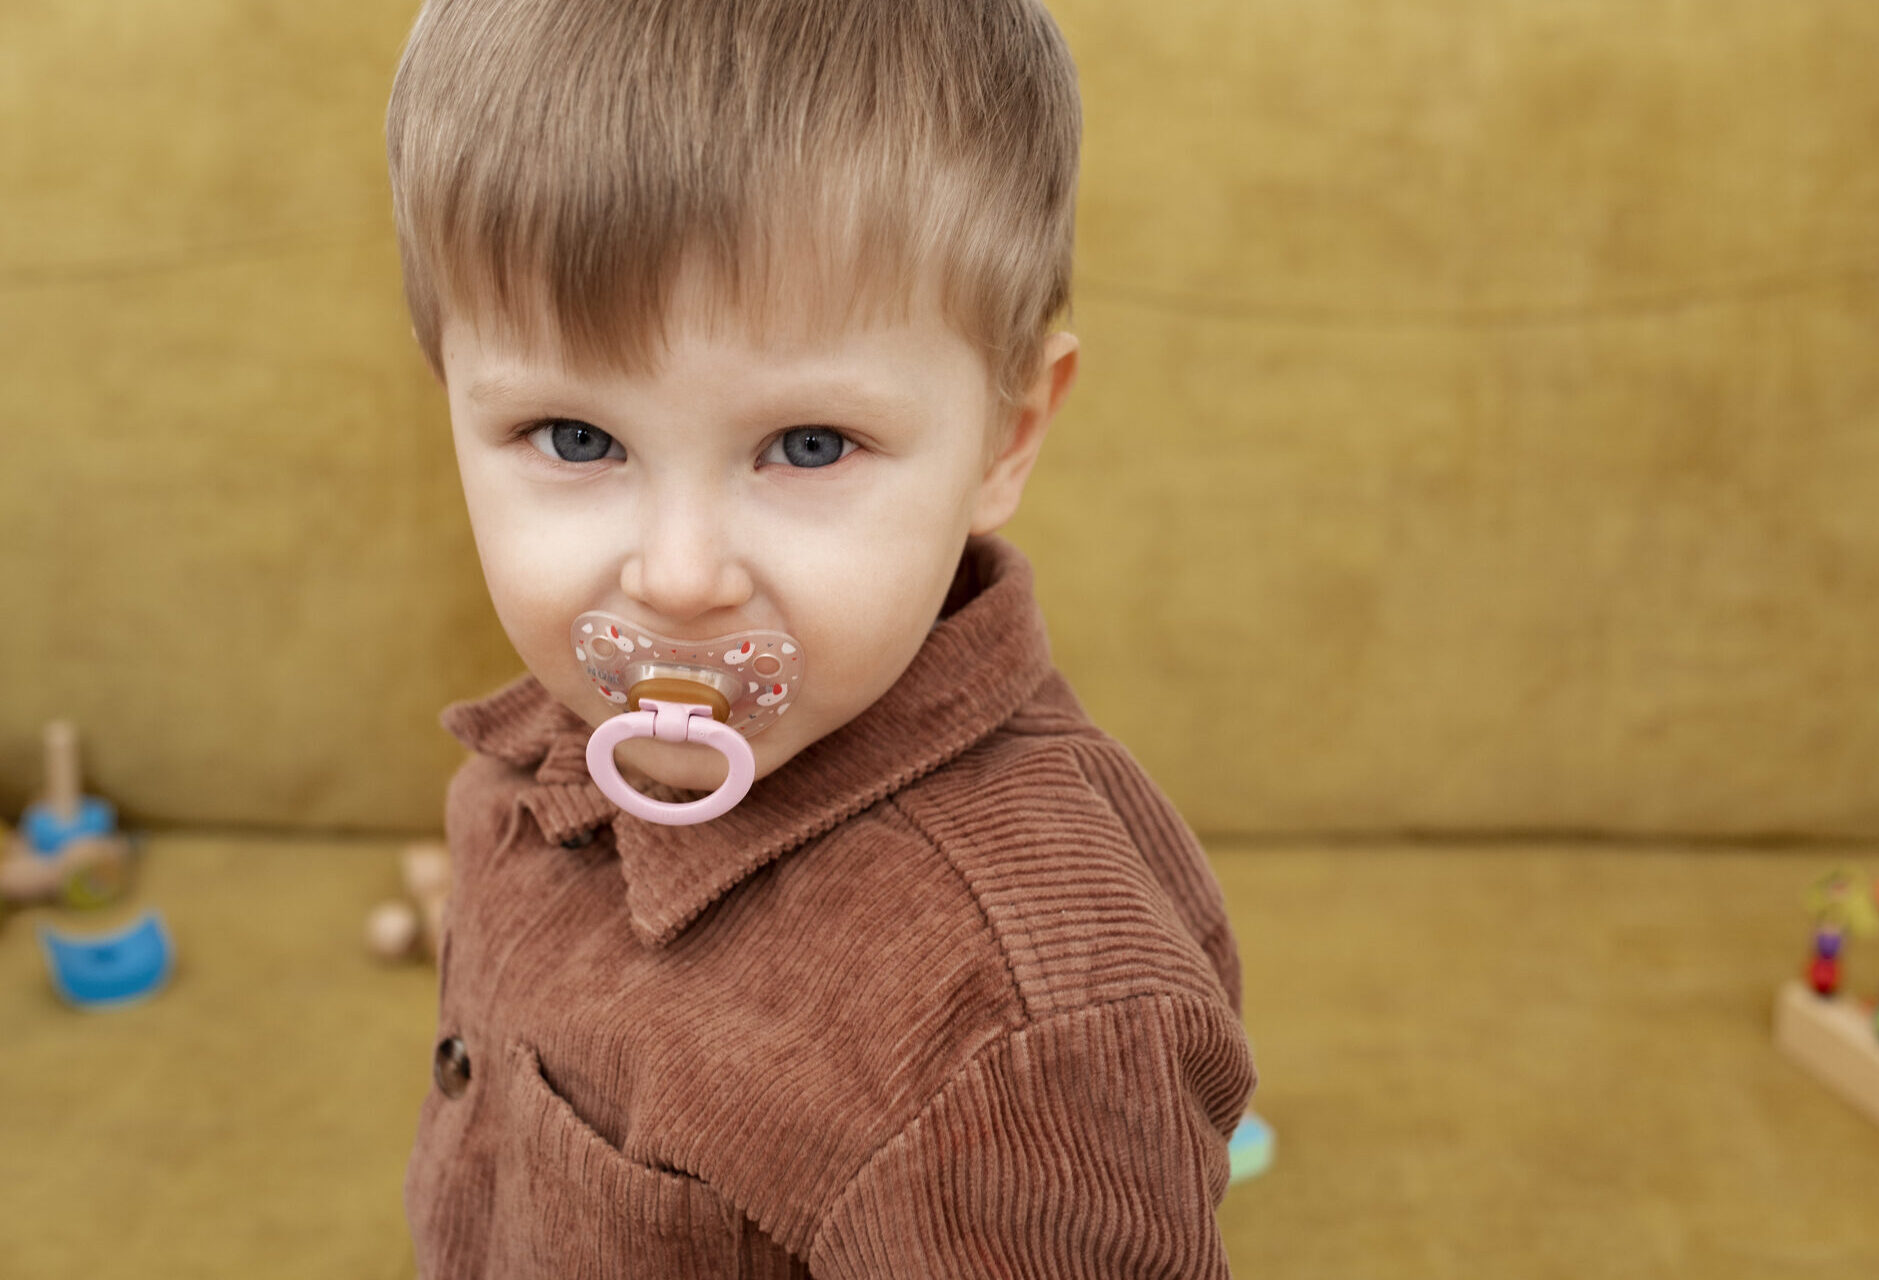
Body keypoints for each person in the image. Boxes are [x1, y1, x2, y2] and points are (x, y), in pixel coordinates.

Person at [386, 1, 1252, 1273]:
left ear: (1005, 438)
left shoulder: (1008, 1031)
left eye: (807, 444)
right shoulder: (531, 756)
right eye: (576, 438)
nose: (679, 577)